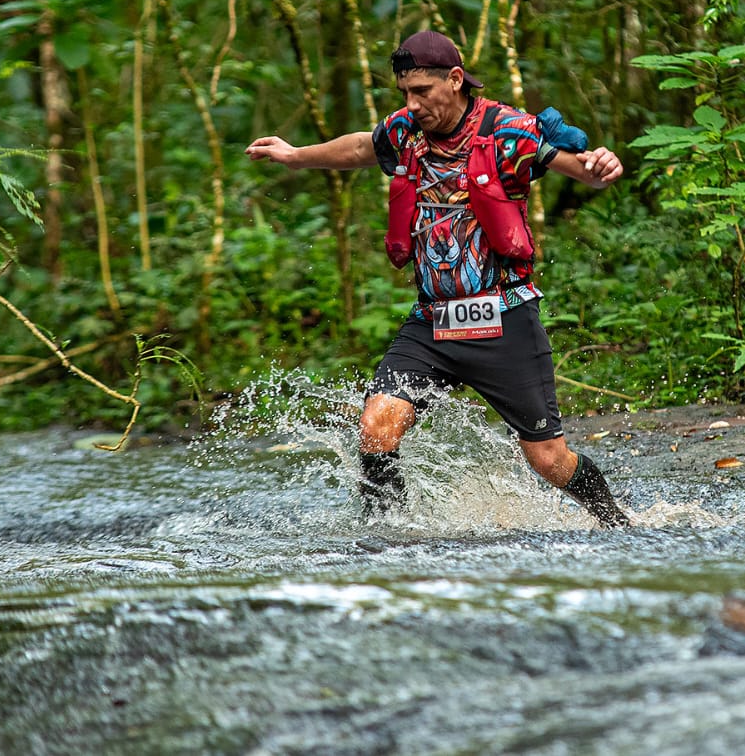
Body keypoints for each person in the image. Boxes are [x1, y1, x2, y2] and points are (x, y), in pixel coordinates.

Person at [245, 30, 630, 527]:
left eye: (422, 91)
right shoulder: (406, 131)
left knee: (549, 460)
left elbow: (580, 168)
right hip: (433, 322)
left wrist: (601, 166)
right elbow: (362, 147)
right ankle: (388, 536)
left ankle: (618, 526)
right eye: (405, 92)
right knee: (376, 428)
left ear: (455, 79)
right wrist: (295, 154)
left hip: (504, 317)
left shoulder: (508, 131)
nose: (412, 103)